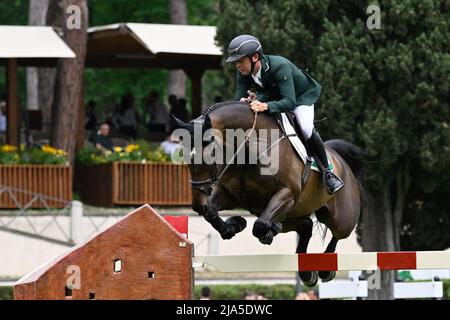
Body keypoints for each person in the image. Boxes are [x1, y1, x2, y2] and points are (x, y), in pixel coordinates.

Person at [225, 34, 344, 195]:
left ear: (254, 57)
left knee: (306, 127)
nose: (237, 65)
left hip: (300, 98)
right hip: (272, 96)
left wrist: (265, 105)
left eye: (240, 60)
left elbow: (289, 102)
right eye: (235, 62)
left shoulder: (280, 66)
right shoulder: (243, 72)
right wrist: (246, 101)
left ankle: (327, 172)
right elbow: (239, 102)